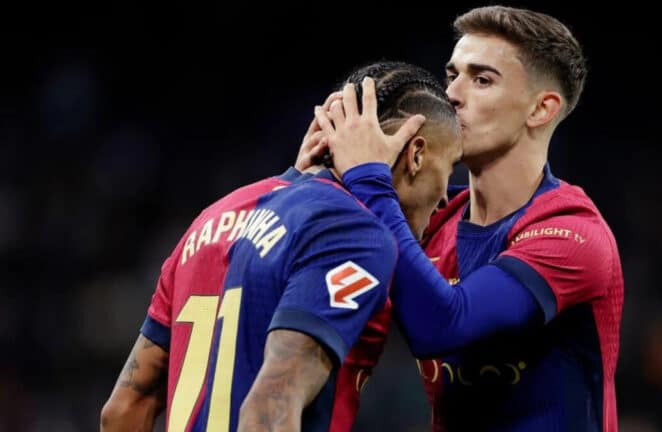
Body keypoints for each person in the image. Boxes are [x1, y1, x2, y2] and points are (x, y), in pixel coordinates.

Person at [100, 61, 461, 432]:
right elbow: (268, 412)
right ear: (416, 155)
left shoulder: (213, 218)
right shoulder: (355, 231)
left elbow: (123, 409)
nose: (446, 198)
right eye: (450, 167)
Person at [316, 6, 624, 432]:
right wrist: (310, 182)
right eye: (452, 75)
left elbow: (442, 324)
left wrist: (368, 177)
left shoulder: (574, 234)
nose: (452, 95)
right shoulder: (432, 222)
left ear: (541, 109)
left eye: (482, 80)